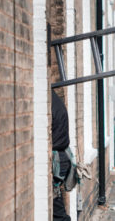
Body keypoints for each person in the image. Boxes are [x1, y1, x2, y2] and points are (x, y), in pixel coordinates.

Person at [52, 90, 71, 221]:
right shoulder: (56, 101)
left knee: (57, 211)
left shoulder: (49, 102)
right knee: (56, 203)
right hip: (62, 157)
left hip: (57, 158)